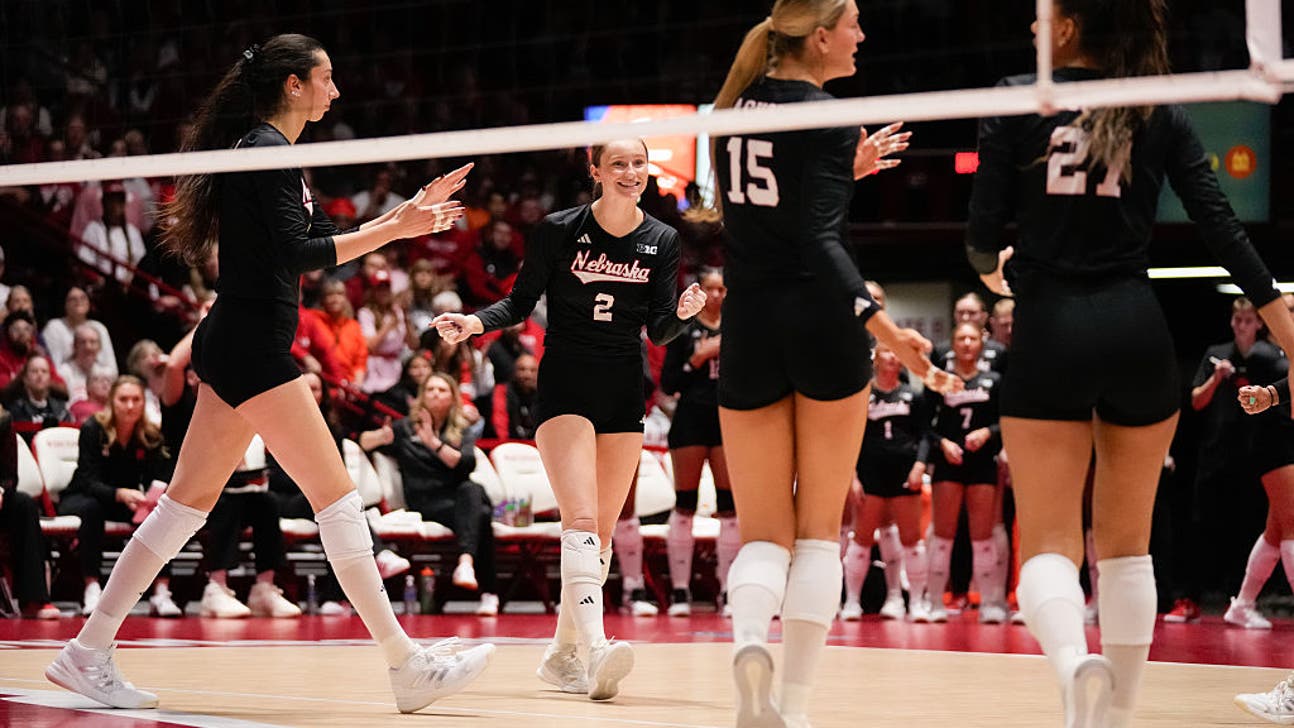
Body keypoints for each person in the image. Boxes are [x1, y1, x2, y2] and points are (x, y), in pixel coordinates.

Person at [44, 34, 492, 714]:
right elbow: (297, 253)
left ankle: (85, 652)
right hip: (250, 345)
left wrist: (394, 223)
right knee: (338, 500)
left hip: (236, 341)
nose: (335, 92)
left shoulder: (270, 155)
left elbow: (284, 249)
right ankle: (406, 664)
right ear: (293, 85)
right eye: (326, 79)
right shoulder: (265, 153)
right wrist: (394, 227)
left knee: (180, 510)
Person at [965, 2, 1294, 727]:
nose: (1030, 22)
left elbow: (982, 239)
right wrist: (1286, 326)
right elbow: (1220, 226)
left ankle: (1074, 668)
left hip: (1050, 329)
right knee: (1127, 548)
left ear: (1074, 26)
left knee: (1049, 542)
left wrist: (1001, 274)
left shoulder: (1019, 99)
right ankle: (1115, 717)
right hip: (1137, 331)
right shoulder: (1157, 109)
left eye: (1042, 12)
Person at [707, 4, 949, 727]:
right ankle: (795, 706)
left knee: (760, 535)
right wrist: (886, 327)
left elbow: (768, 211)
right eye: (853, 26)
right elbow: (816, 238)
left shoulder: (728, 109)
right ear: (819, 38)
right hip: (820, 323)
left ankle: (751, 641)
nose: (862, 38)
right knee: (816, 534)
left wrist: (842, 170)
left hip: (748, 322)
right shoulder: (828, 112)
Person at [434, 138, 707, 701]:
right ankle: (596, 646)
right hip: (565, 385)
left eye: (639, 164)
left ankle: (561, 656)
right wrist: (473, 322)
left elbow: (657, 331)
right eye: (619, 164)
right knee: (580, 519)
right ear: (596, 171)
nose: (632, 173)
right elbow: (518, 301)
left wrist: (680, 316)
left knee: (600, 535)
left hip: (624, 390)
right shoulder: (559, 229)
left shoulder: (662, 239)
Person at [1168, 297, 1285, 622]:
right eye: (1238, 320)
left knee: (1254, 528)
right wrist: (1217, 378)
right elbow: (1196, 401)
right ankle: (1191, 599)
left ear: (1259, 323)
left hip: (1259, 454)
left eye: (1249, 320)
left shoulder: (1272, 357)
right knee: (1203, 526)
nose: (1242, 326)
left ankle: (1243, 602)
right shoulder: (1217, 353)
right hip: (1216, 452)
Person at [363, 373, 499, 616]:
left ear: (453, 398)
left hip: (458, 500)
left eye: (442, 390)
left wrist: (433, 443)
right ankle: (486, 589)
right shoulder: (405, 427)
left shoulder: (460, 429)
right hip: (426, 501)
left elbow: (466, 464)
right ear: (422, 396)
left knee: (476, 498)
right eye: (431, 389)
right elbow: (363, 441)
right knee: (481, 510)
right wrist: (380, 437)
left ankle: (468, 567)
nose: (436, 394)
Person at [56, 376, 180, 617]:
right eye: (124, 399)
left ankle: (161, 593)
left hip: (127, 501)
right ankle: (92, 588)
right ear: (112, 401)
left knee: (162, 513)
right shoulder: (93, 429)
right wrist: (119, 494)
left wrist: (152, 495)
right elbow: (87, 480)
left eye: (136, 400)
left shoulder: (150, 435)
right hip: (83, 497)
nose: (130, 405)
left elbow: (161, 474)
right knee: (92, 509)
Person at [660, 267, 735, 617]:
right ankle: (679, 590)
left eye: (722, 289)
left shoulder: (738, 329)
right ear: (700, 290)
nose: (717, 295)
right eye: (711, 289)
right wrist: (698, 358)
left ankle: (729, 591)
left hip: (726, 420)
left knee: (730, 506)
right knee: (685, 503)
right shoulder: (685, 328)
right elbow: (669, 382)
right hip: (690, 420)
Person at [841, 341, 934, 623]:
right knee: (863, 538)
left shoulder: (912, 395)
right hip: (871, 475)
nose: (892, 357)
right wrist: (853, 476)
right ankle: (852, 601)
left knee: (911, 540)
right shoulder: (863, 395)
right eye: (887, 352)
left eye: (897, 352)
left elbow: (925, 434)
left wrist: (919, 466)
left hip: (904, 474)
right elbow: (850, 438)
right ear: (876, 358)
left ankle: (915, 601)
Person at [925, 322, 1005, 624]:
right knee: (943, 536)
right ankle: (934, 602)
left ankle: (988, 602)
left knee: (982, 536)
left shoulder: (994, 380)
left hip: (983, 462)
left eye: (973, 338)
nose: (968, 343)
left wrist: (987, 432)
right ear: (953, 344)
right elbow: (925, 425)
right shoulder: (941, 381)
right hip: (950, 463)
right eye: (961, 338)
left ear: (981, 344)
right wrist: (942, 443)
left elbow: (1005, 421)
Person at [0, 404, 62, 619]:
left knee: (24, 504)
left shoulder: (3, 420)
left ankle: (34, 600)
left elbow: (10, 476)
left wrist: (0, 489)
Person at [41, 287, 118, 376]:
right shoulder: (54, 327)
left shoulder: (99, 327)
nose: (79, 301)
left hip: (97, 380)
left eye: (83, 297)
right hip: (66, 380)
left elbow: (112, 368)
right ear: (65, 304)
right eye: (73, 299)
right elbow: (53, 367)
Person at [7, 356, 75, 433]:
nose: (40, 375)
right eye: (34, 371)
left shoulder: (61, 411)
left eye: (44, 371)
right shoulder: (15, 410)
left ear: (50, 378)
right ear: (25, 379)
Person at [491, 352, 539, 439]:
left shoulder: (542, 394)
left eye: (533, 370)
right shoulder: (502, 391)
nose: (527, 375)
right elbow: (499, 421)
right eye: (522, 369)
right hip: (508, 444)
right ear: (514, 371)